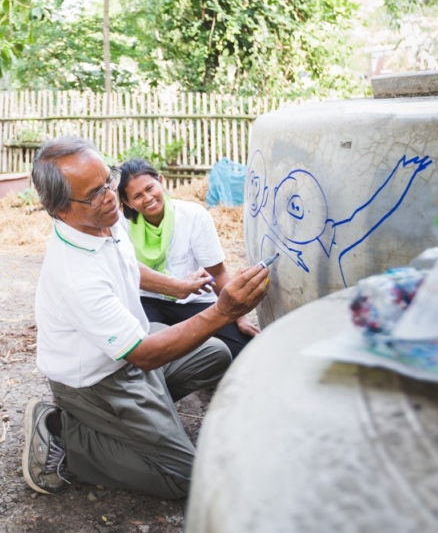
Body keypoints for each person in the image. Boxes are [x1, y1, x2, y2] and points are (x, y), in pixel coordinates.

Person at [22, 136, 270, 499]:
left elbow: (127, 264)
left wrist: (177, 287)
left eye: (109, 180)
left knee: (216, 353)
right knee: (188, 481)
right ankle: (65, 431)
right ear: (60, 209)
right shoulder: (75, 275)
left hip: (130, 347)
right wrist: (224, 310)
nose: (110, 195)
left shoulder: (103, 221)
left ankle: (138, 423)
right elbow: (144, 355)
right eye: (95, 193)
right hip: (100, 380)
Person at [117, 158, 259, 358]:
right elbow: (127, 274)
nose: (148, 198)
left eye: (150, 188)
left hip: (196, 300)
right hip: (148, 301)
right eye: (137, 196)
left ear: (161, 181)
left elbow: (218, 273)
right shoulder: (120, 226)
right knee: (149, 351)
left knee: (244, 351)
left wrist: (239, 317)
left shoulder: (193, 215)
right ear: (126, 202)